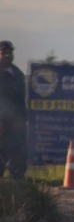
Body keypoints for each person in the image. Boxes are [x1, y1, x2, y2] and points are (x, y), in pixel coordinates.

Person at [0, 40, 27, 180]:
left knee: (18, 155)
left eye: (9, 52)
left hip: (16, 123)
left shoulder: (17, 74)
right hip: (2, 122)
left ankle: (17, 188)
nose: (7, 55)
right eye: (3, 53)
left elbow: (21, 98)